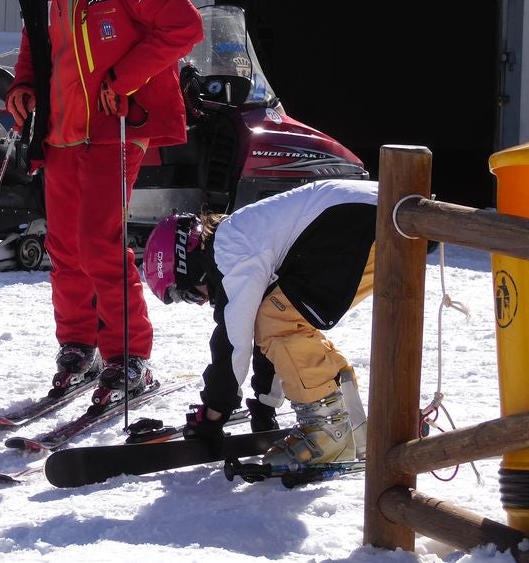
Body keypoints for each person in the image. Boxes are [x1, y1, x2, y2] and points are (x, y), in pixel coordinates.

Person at [1, 0, 203, 404]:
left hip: (113, 130)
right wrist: (22, 86)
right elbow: (37, 46)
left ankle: (128, 355)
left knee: (99, 241)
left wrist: (126, 78)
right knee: (63, 245)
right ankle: (77, 345)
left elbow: (185, 26)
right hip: (61, 132)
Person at [142, 177, 377, 466]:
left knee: (278, 320)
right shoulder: (244, 237)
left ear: (187, 263)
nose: (202, 301)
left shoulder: (229, 250)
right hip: (376, 216)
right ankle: (351, 424)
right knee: (281, 315)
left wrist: (212, 415)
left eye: (189, 294)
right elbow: (259, 331)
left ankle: (328, 434)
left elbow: (233, 342)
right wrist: (265, 406)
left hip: (362, 222)